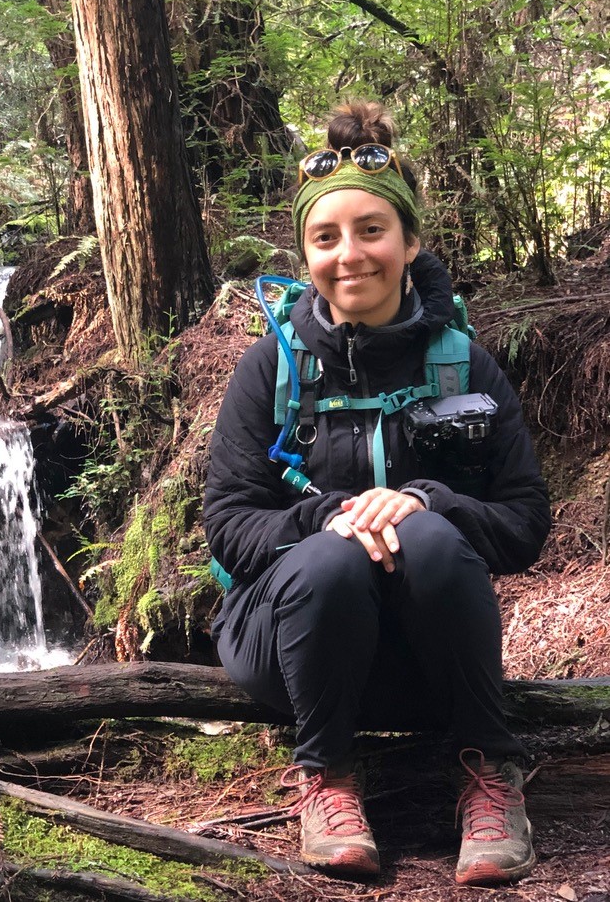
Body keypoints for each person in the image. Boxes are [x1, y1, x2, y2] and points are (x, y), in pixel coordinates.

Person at [203, 101, 551, 885]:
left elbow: (526, 523)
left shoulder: (464, 364)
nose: (349, 254)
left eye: (371, 231)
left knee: (423, 533)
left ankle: (488, 773)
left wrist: (431, 499)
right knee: (331, 561)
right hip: (289, 642)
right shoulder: (271, 370)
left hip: (424, 648)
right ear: (305, 253)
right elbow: (227, 524)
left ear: (409, 241)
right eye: (325, 238)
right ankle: (325, 776)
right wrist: (326, 517)